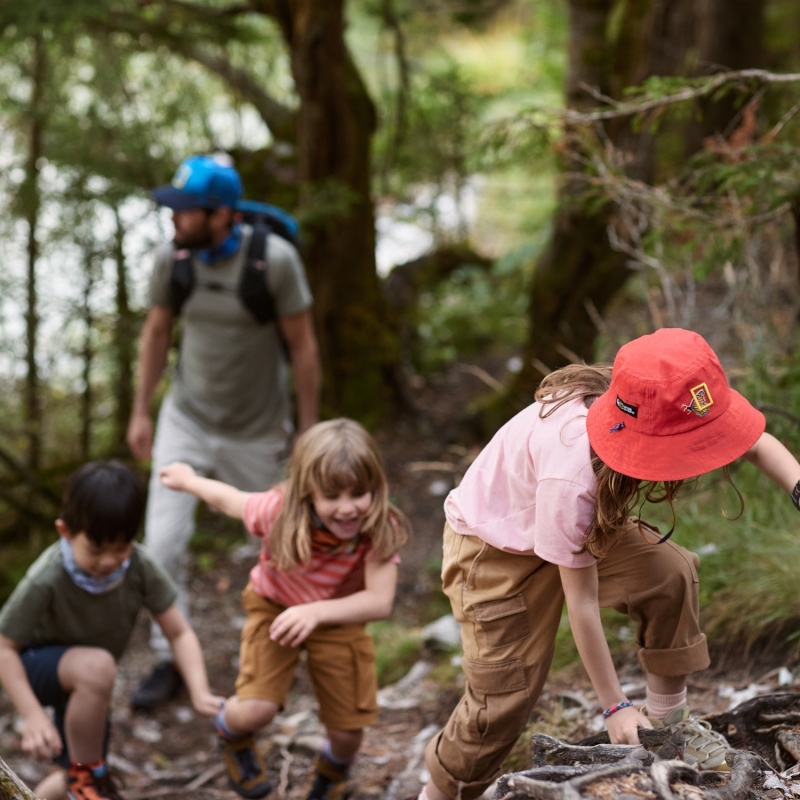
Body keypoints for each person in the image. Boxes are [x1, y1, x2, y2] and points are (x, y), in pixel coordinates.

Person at [415, 327, 800, 800]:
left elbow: (754, 441)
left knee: (668, 572)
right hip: (494, 552)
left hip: (570, 525)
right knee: (501, 701)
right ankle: (440, 792)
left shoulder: (671, 394)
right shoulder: (573, 471)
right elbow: (582, 602)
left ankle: (667, 727)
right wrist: (614, 706)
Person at [127, 154, 321, 710]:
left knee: (279, 543)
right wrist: (142, 410)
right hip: (185, 418)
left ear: (221, 214)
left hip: (257, 429)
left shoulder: (274, 263)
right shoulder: (174, 259)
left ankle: (283, 648)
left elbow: (304, 347)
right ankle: (170, 658)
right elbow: (157, 331)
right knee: (161, 544)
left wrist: (307, 429)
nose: (173, 220)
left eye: (184, 212)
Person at [158, 418, 409, 800]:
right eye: (332, 496)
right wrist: (189, 480)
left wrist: (316, 612)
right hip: (273, 605)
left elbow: (379, 600)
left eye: (359, 493)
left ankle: (330, 775)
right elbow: (229, 499)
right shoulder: (276, 511)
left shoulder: (379, 525)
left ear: (376, 487)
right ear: (307, 493)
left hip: (338, 616)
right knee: (256, 710)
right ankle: (230, 731)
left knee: (347, 733)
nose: (347, 508)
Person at [0, 461, 223, 800]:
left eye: (120, 548)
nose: (108, 562)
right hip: (37, 668)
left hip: (89, 686)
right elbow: (4, 646)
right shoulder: (47, 577)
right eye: (96, 550)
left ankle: (75, 783)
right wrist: (32, 716)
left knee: (73, 773)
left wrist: (199, 689)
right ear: (66, 532)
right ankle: (88, 778)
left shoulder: (139, 567)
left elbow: (179, 632)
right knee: (97, 676)